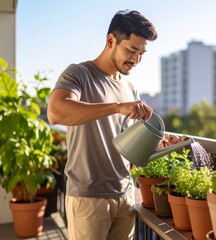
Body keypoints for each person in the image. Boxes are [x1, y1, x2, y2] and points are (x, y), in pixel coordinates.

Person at [47, 10, 158, 240]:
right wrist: (117, 107)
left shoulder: (130, 88)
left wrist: (159, 142)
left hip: (125, 196)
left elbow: (126, 143)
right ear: (110, 41)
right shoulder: (79, 74)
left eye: (142, 53)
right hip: (89, 198)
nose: (136, 59)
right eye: (131, 50)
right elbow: (55, 112)